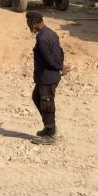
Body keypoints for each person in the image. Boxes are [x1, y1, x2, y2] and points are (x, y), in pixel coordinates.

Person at [26, 9, 68, 145]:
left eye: (28, 23)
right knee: (37, 97)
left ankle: (50, 133)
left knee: (46, 103)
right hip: (47, 76)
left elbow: (48, 58)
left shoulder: (42, 38)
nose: (28, 26)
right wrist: (60, 65)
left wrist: (59, 68)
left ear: (33, 23)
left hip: (47, 77)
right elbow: (60, 51)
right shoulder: (51, 33)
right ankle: (49, 126)